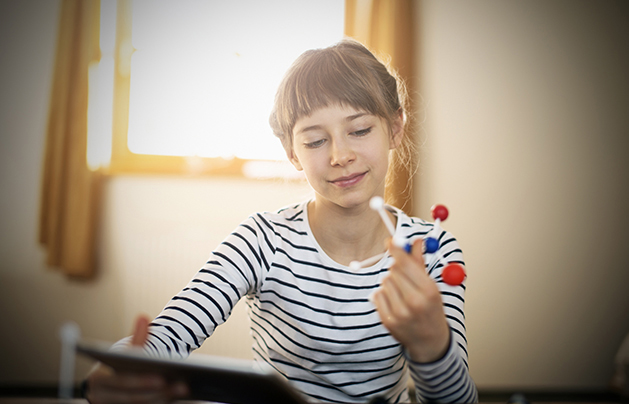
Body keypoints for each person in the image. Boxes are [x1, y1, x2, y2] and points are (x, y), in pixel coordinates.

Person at [85, 39, 478, 404]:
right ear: (292, 152)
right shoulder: (262, 240)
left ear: (395, 127)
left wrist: (432, 347)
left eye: (359, 130)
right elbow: (169, 333)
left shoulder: (433, 252)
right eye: (315, 141)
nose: (340, 155)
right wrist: (120, 367)